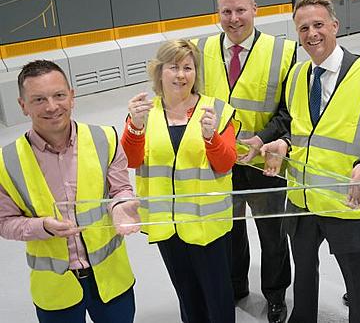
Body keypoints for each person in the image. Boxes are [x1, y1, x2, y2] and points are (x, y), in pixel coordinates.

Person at [258, 0, 360, 323]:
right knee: (304, 281)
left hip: (347, 204)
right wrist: (283, 145)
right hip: (303, 199)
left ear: (335, 26)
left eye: (319, 24)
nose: (312, 34)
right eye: (304, 27)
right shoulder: (296, 76)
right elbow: (300, 130)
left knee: (359, 288)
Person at [0, 60, 138, 323]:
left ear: (72, 97)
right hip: (55, 287)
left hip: (110, 278)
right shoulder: (6, 162)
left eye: (59, 95)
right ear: (22, 105)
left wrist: (121, 206)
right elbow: (4, 222)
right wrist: (42, 227)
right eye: (39, 99)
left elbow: (120, 189)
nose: (52, 107)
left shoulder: (105, 139)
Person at [192, 0, 295, 323]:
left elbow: (288, 111)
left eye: (240, 10)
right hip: (219, 162)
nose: (234, 19)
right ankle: (236, 287)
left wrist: (263, 138)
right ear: (217, 14)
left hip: (266, 161)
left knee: (273, 234)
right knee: (229, 230)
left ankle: (276, 295)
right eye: (226, 12)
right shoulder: (199, 50)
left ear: (256, 9)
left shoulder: (283, 51)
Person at [121, 39, 237, 323]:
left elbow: (226, 162)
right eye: (174, 67)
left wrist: (211, 138)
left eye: (188, 67)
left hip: (206, 225)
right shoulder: (144, 114)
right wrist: (134, 128)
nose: (182, 75)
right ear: (159, 72)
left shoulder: (216, 110)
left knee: (218, 295)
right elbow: (131, 160)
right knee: (186, 293)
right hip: (167, 225)